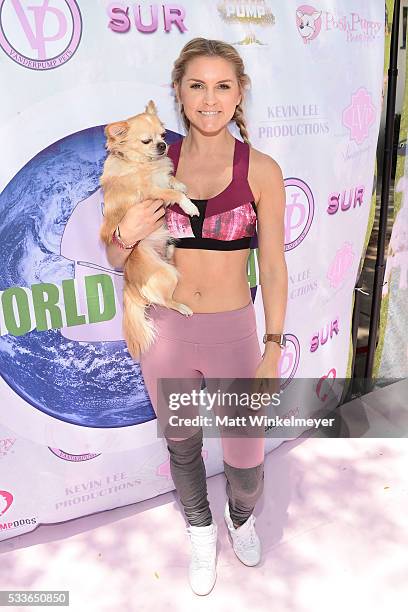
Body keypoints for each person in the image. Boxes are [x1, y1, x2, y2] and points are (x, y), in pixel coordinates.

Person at [105, 38, 288, 596]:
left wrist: (274, 345)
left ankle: (239, 516)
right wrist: (125, 235)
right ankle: (202, 529)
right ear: (180, 94)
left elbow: (275, 266)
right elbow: (117, 254)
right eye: (197, 85)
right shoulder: (153, 162)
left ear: (240, 94)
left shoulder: (261, 170)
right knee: (181, 443)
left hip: (234, 332)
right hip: (168, 331)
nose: (210, 98)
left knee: (246, 457)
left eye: (223, 85)